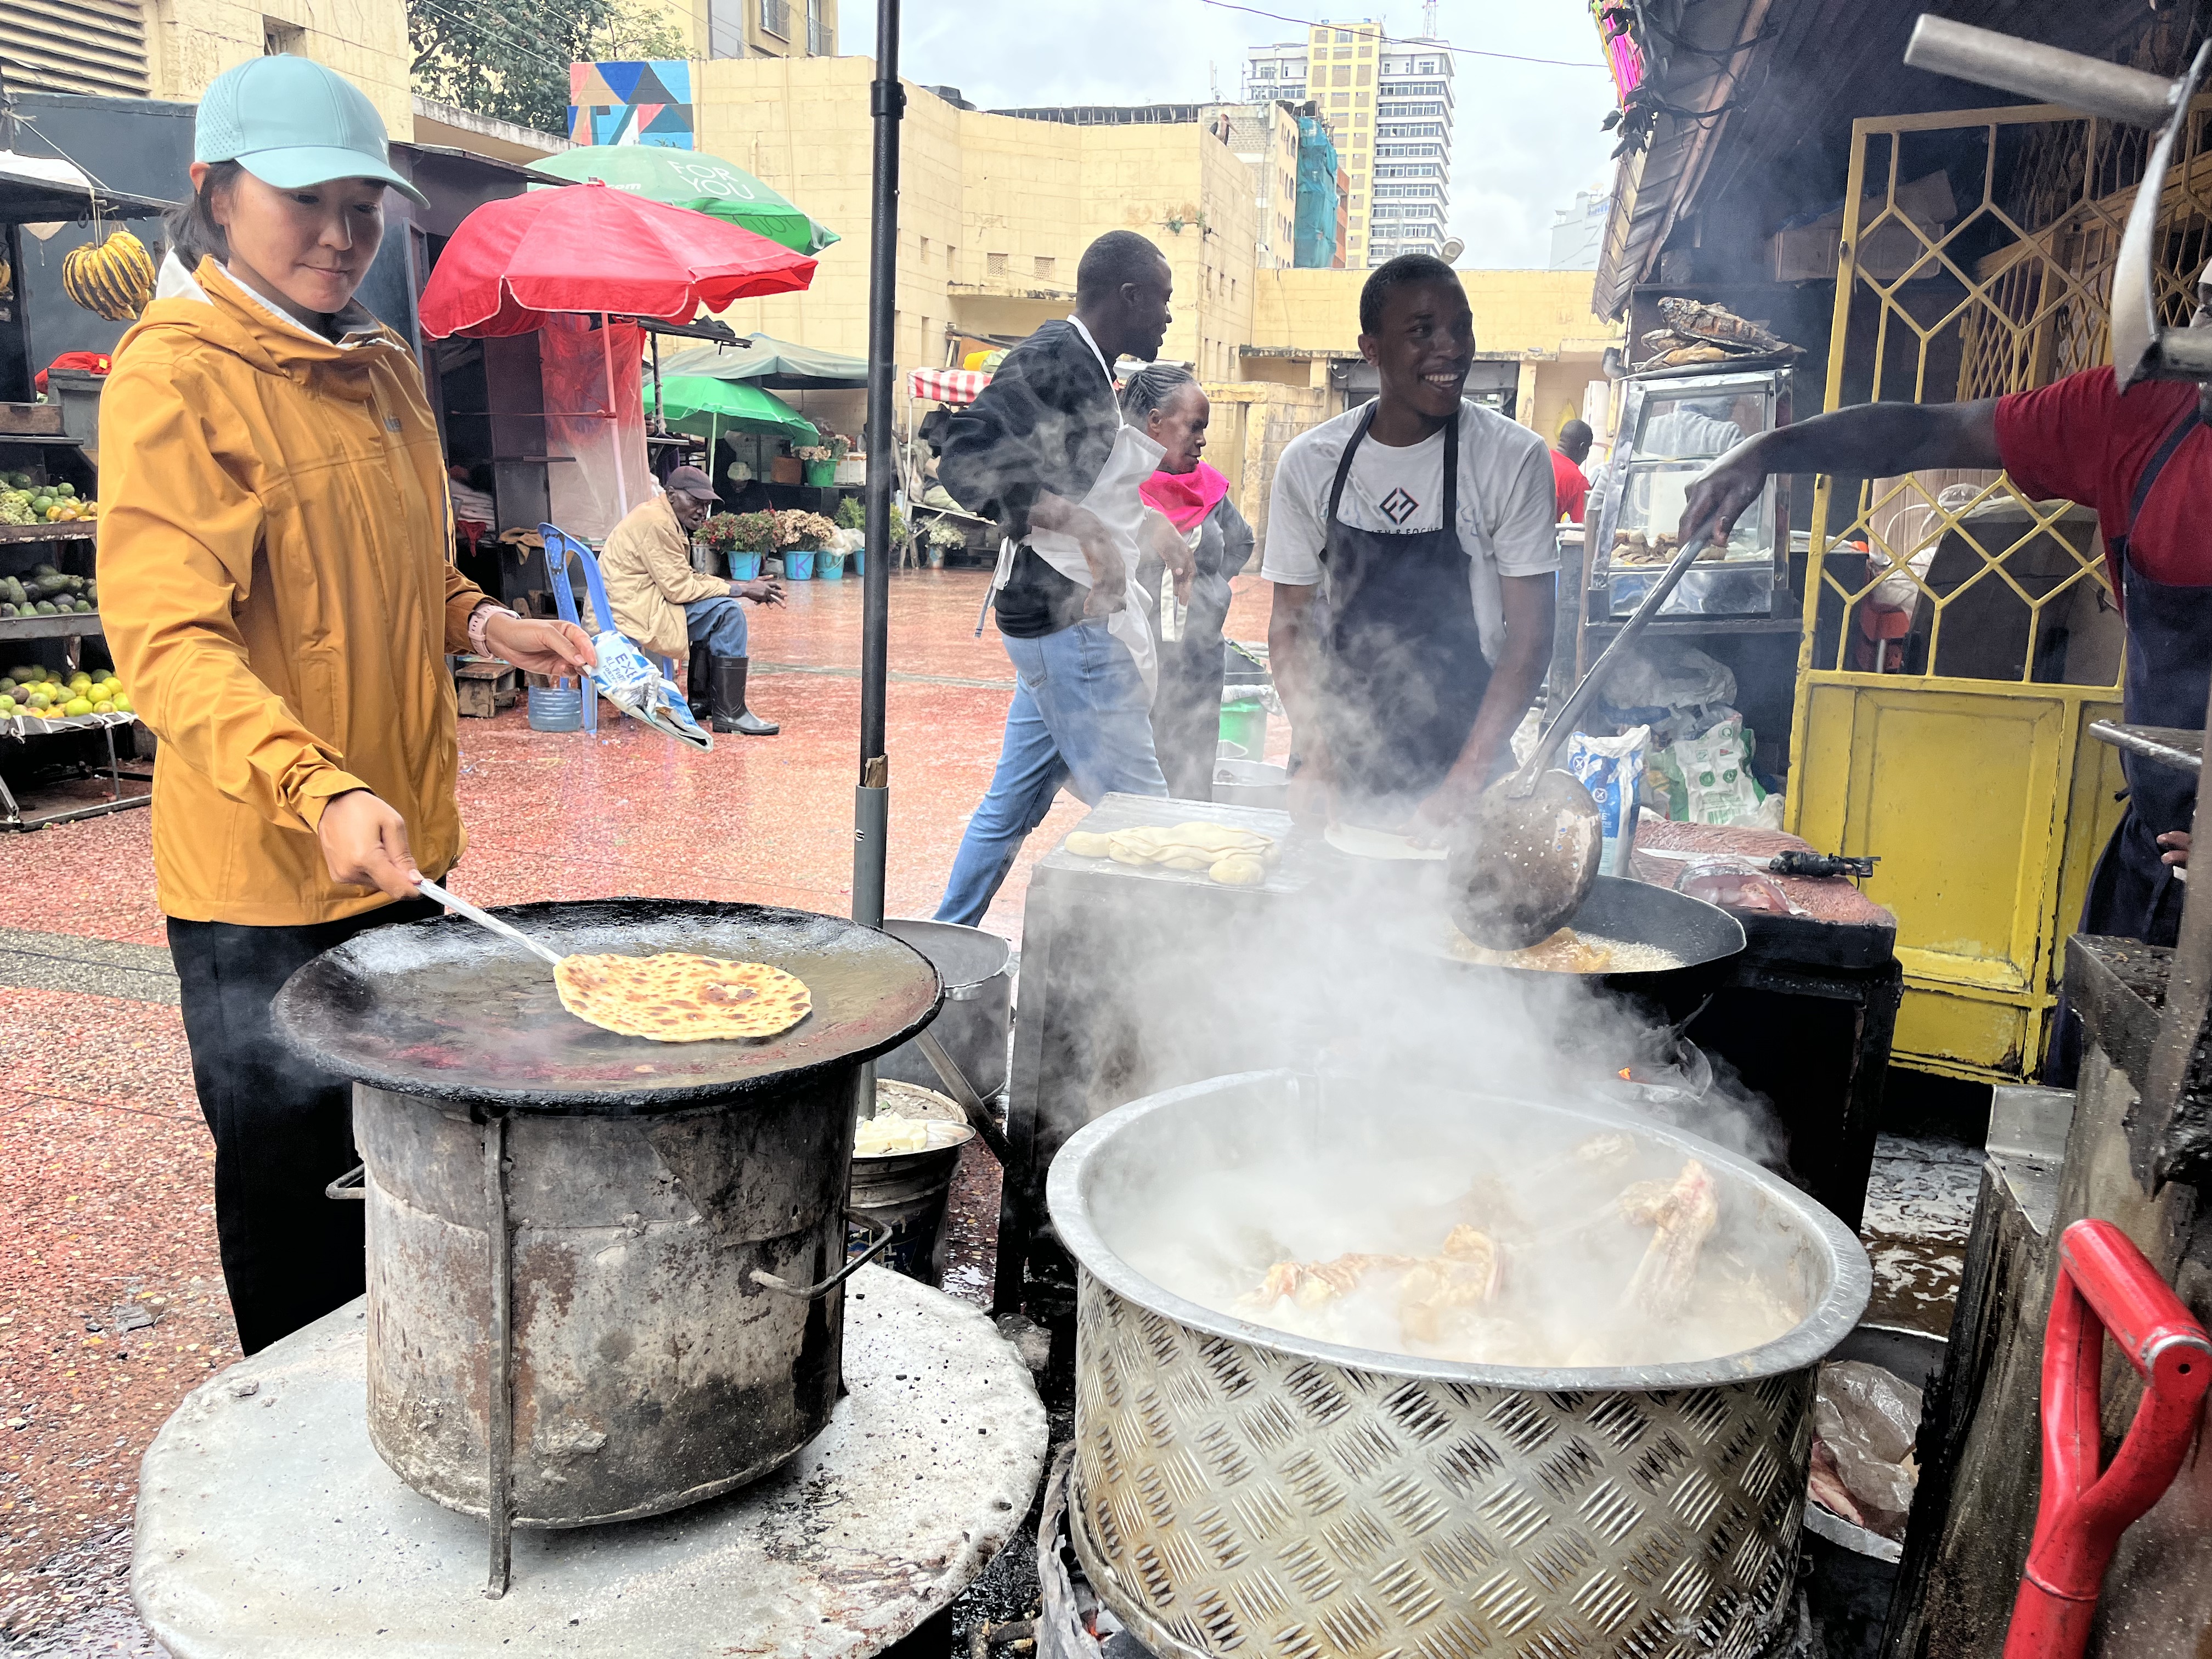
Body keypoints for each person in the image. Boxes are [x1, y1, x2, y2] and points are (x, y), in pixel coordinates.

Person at [98, 56, 598, 1355]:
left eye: (362, 207)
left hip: (398, 853)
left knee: (402, 1165)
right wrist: (315, 785)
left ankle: (405, 1394)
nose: (340, 233)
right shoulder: (176, 376)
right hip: (266, 874)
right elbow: (169, 640)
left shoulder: (379, 371)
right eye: (303, 200)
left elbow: (390, 567)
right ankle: (292, 1445)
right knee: (295, 1190)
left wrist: (488, 622)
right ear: (214, 193)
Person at [1678, 262, 2212, 1082]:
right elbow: (1929, 431)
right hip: (2160, 865)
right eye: (2206, 309)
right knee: (2101, 1122)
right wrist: (1772, 448)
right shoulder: (2146, 414)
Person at [932, 230, 1192, 925]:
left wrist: (1136, 527)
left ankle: (944, 940)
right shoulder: (1056, 357)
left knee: (1010, 807)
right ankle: (1176, 977)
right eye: (1163, 301)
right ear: (1129, 295)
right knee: (1141, 811)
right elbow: (962, 458)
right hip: (1067, 625)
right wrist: (1081, 527)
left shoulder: (1092, 367)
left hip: (1048, 622)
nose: (1169, 316)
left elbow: (1077, 480)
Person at [1265, 254, 1562, 836]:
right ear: (1371, 348)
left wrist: (1464, 784)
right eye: (1422, 331)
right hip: (1340, 756)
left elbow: (1531, 638)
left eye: (1462, 326)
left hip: (1467, 750)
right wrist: (1317, 752)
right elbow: (1290, 624)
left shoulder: (1513, 458)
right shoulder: (1311, 464)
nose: (1450, 348)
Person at [1122, 364, 1256, 799]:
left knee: (1193, 778)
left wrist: (1210, 592)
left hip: (1199, 663)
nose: (1202, 440)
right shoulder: (1117, 491)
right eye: (1194, 428)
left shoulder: (1210, 492)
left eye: (1205, 429)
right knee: (1137, 781)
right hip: (1134, 663)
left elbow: (1241, 543)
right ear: (1155, 423)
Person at [600, 464, 783, 735]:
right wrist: (742, 590)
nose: (702, 511)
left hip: (638, 602)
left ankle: (702, 702)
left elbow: (684, 578)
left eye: (706, 504)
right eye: (695, 502)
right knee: (728, 615)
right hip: (634, 610)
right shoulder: (658, 523)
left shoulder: (660, 515)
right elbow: (680, 589)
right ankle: (730, 713)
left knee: (719, 608)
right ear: (671, 494)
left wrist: (737, 587)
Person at [1551, 419, 1593, 524]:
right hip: (1538, 538)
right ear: (1583, 448)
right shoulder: (1578, 480)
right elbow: (1584, 527)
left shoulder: (1540, 456)